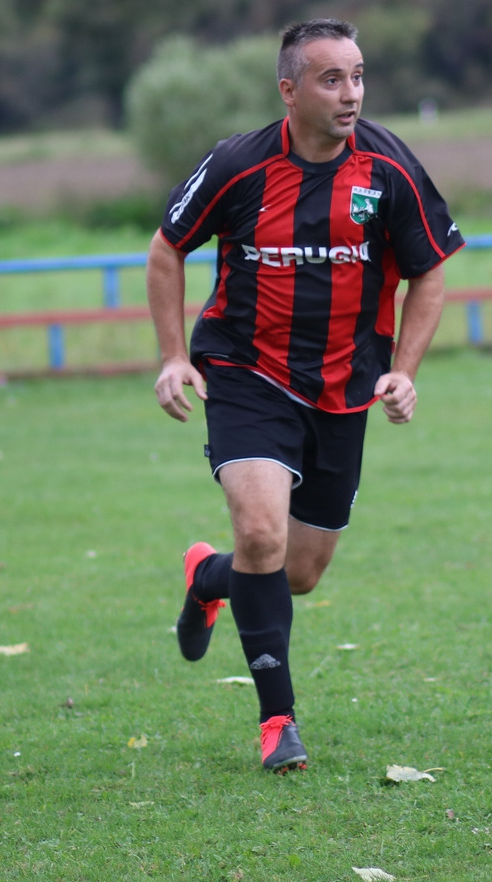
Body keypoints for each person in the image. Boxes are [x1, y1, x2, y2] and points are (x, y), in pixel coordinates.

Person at [145, 18, 464, 772]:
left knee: (297, 571)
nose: (351, 93)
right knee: (262, 535)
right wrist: (173, 356)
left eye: (358, 76)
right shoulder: (238, 165)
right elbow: (167, 249)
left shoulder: (389, 167)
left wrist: (404, 370)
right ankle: (278, 721)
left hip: (344, 389)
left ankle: (208, 576)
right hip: (246, 373)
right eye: (332, 79)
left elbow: (431, 270)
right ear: (289, 90)